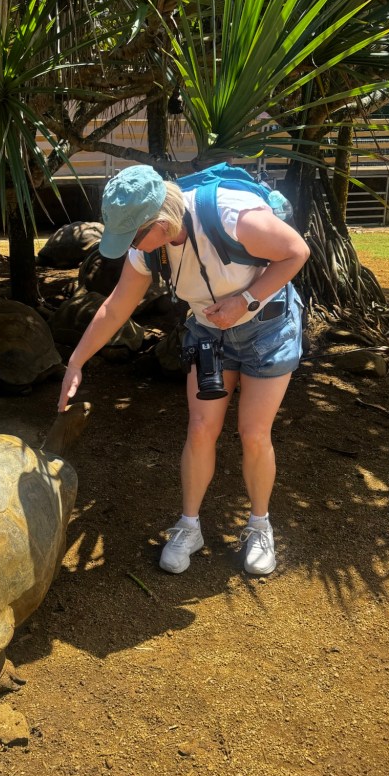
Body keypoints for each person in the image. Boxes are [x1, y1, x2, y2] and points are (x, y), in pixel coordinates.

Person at [57, 164, 310, 576]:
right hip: (210, 331)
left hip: (267, 327)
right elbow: (116, 307)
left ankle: (259, 526)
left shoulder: (231, 215)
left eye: (133, 237)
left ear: (160, 223)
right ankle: (189, 527)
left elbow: (296, 252)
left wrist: (245, 301)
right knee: (200, 428)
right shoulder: (149, 249)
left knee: (253, 432)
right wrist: (76, 361)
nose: (132, 247)